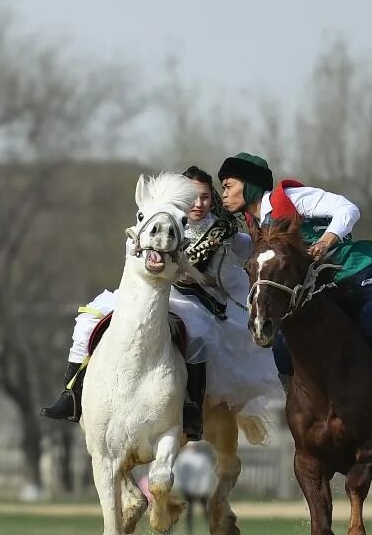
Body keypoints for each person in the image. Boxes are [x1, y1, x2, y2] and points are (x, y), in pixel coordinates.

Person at [217, 151, 372, 428]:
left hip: (358, 274)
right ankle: (301, 414)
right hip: (323, 292)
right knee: (281, 346)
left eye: (229, 186)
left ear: (250, 183)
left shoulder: (289, 200)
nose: (224, 194)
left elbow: (348, 209)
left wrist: (327, 240)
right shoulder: (255, 225)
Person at [40, 166, 280, 439]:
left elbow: (258, 250)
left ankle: (191, 407)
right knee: (87, 319)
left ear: (212, 198)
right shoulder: (160, 220)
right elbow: (133, 254)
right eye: (192, 198)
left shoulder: (223, 231)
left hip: (192, 301)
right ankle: (72, 393)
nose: (198, 204)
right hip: (145, 293)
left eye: (204, 197)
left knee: (200, 337)